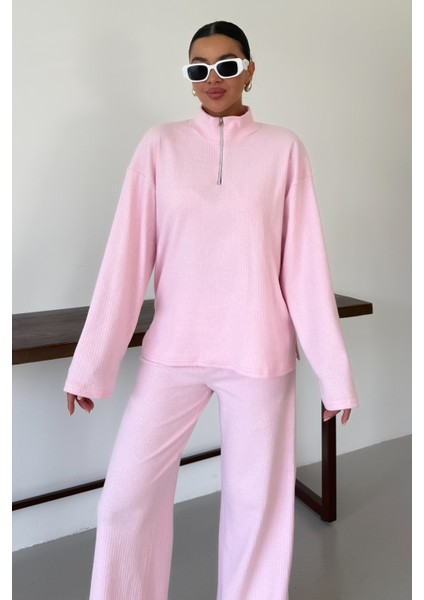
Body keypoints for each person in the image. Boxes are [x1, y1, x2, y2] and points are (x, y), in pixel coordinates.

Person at [65, 20, 358, 600]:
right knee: (124, 499)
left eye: (227, 65)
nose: (213, 78)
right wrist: (90, 365)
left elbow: (305, 269)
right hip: (174, 351)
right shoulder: (159, 146)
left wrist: (335, 375)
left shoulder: (284, 150)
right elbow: (125, 260)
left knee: (256, 509)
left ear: (249, 70)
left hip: (259, 356)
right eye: (199, 68)